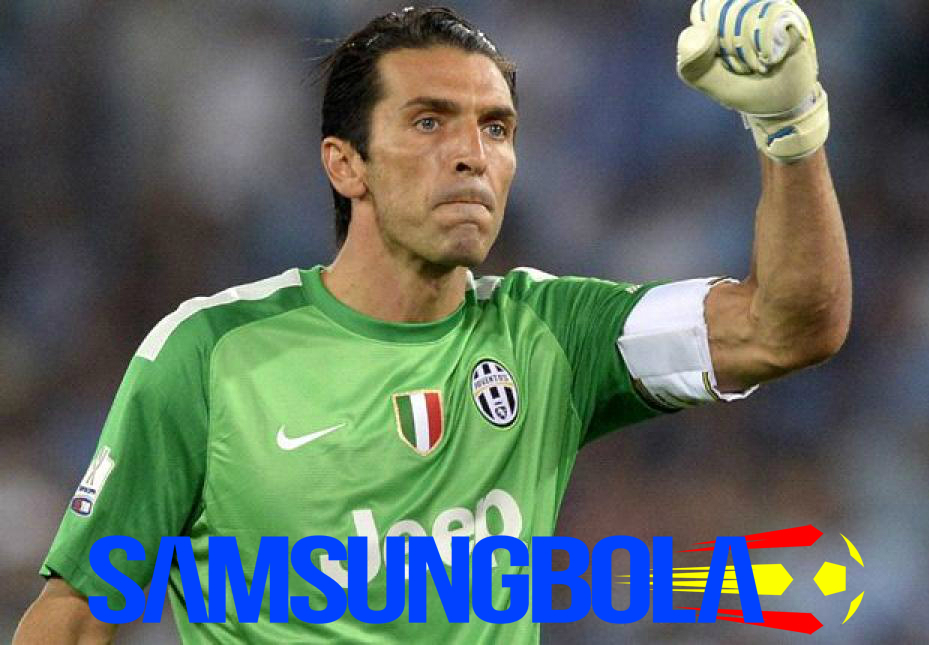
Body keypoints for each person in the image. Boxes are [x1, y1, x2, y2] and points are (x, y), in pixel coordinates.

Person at [15, 2, 850, 643]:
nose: (471, 154)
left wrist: (789, 128)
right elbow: (75, 615)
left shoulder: (553, 334)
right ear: (346, 164)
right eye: (428, 121)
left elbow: (788, 327)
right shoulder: (210, 352)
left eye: (496, 128)